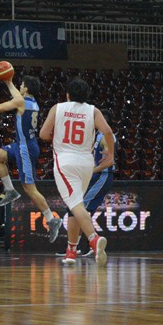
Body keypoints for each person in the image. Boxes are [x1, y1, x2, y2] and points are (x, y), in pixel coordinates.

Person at [39, 77, 115, 266]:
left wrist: (58, 136)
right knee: (74, 206)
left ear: (67, 95)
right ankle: (71, 251)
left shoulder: (58, 108)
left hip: (66, 161)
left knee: (75, 205)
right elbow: (107, 131)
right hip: (86, 163)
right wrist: (111, 154)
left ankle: (94, 239)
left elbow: (43, 134)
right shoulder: (93, 110)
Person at [0, 75, 63, 242]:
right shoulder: (32, 102)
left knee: (29, 188)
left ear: (25, 89)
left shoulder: (21, 102)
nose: (19, 86)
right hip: (23, 144)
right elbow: (18, 97)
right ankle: (10, 190)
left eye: (21, 85)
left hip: (25, 149)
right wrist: (9, 82)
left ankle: (51, 219)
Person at [58, 114, 117, 258]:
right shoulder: (97, 134)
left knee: (81, 209)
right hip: (94, 176)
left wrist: (92, 170)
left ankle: (88, 244)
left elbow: (110, 162)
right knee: (78, 209)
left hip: (102, 177)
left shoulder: (106, 136)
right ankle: (77, 246)